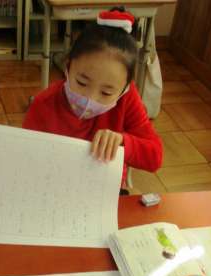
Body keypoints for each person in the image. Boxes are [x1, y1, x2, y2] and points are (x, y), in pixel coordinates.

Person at [23, 8, 163, 194]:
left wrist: (123, 142)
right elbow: (26, 156)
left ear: (124, 89)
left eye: (106, 92)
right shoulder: (44, 104)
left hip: (104, 190)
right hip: (55, 187)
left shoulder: (127, 99)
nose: (90, 98)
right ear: (68, 66)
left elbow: (154, 157)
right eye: (82, 82)